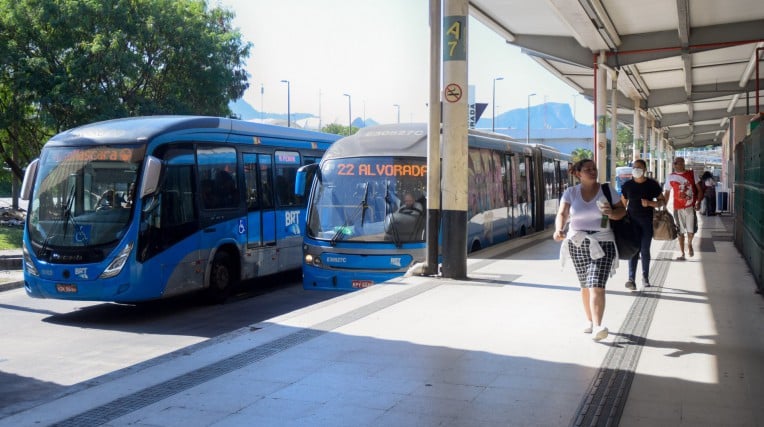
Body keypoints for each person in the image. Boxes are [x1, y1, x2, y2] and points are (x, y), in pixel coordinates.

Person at [554, 159, 626, 341]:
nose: (593, 172)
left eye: (594, 169)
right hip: (577, 242)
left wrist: (611, 213)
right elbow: (562, 213)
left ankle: (598, 325)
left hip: (603, 241)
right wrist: (559, 229)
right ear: (578, 173)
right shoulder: (571, 192)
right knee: (585, 284)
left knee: (597, 284)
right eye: (588, 169)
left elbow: (622, 211)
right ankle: (590, 320)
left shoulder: (607, 191)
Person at [620, 159, 666, 291]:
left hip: (647, 222)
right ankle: (631, 279)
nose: (636, 169)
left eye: (639, 167)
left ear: (645, 170)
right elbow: (623, 205)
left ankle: (645, 277)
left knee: (645, 250)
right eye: (634, 167)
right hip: (631, 222)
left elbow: (662, 201)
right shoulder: (627, 185)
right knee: (633, 251)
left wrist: (651, 204)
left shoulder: (652, 185)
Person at [663, 157, 700, 260]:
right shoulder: (670, 177)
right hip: (677, 208)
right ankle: (683, 253)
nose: (675, 165)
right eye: (674, 163)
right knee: (680, 230)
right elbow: (667, 193)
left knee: (691, 230)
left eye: (677, 163)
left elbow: (699, 189)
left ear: (683, 163)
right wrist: (664, 207)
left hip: (690, 207)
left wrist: (699, 201)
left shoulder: (692, 174)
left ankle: (690, 244)